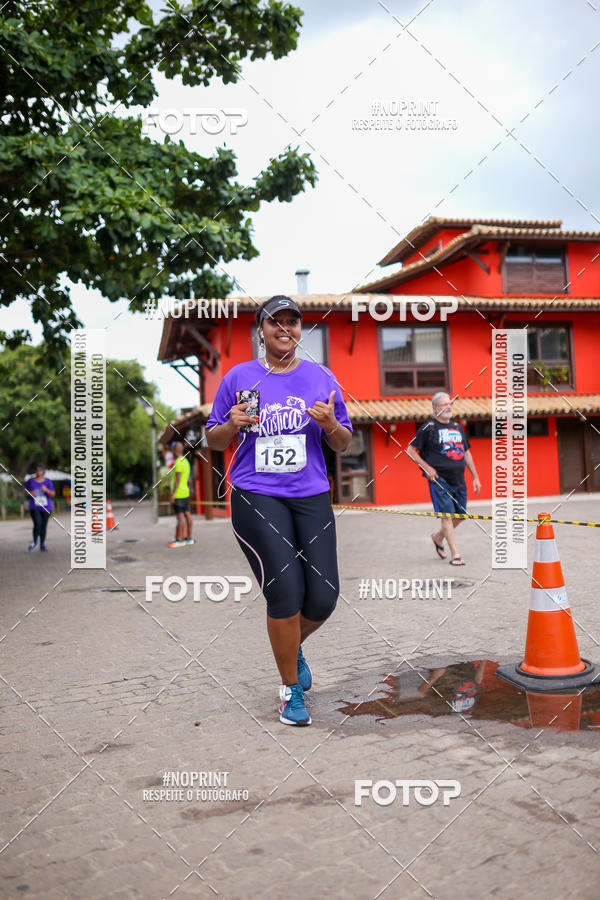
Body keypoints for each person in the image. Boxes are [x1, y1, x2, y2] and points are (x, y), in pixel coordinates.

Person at [205, 295, 352, 726]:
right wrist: (231, 425)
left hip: (310, 495)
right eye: (275, 321)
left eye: (292, 321)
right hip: (257, 495)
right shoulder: (239, 377)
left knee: (323, 597)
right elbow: (213, 439)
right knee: (285, 592)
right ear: (262, 330)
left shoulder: (321, 377)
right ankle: (290, 691)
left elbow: (344, 442)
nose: (284, 328)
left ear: (300, 329)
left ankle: (290, 645)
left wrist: (330, 425)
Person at [406, 392, 481, 566]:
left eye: (450, 404)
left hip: (459, 480)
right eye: (444, 405)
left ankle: (438, 537)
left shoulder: (458, 427)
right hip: (439, 480)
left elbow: (466, 453)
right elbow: (410, 450)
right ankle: (455, 554)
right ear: (435, 408)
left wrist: (476, 477)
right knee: (447, 516)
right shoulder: (428, 427)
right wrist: (427, 468)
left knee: (461, 515)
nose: (448, 407)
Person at [24, 463, 55, 552]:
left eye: (40, 470)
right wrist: (30, 493)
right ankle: (34, 542)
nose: (38, 472)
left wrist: (46, 490)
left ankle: (42, 544)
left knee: (43, 526)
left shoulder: (48, 481)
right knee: (37, 524)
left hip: (46, 507)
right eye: (37, 470)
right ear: (35, 471)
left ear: (43, 471)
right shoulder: (30, 481)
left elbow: (53, 494)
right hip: (34, 506)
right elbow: (25, 492)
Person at [168, 442, 193, 547]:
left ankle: (180, 539)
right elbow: (189, 479)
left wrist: (172, 494)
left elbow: (177, 479)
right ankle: (188, 538)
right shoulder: (186, 461)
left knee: (180, 516)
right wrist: (191, 490)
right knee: (187, 514)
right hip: (186, 492)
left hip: (178, 494)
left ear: (175, 451)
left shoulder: (178, 462)